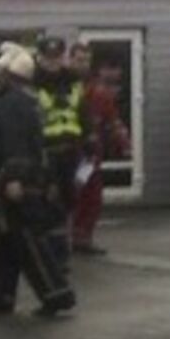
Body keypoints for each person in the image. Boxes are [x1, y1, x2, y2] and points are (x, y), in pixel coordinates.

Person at [0, 43, 76, 318]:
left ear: (8, 72)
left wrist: (13, 178)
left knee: (27, 241)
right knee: (1, 241)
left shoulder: (13, 103)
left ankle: (56, 294)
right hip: (9, 180)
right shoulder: (15, 100)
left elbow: (15, 143)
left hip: (17, 182)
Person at [70, 45, 131, 254]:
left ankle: (83, 238)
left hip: (89, 153)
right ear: (70, 60)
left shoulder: (98, 92)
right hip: (66, 151)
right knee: (70, 197)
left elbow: (112, 120)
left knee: (92, 197)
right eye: (79, 59)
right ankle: (66, 239)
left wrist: (123, 142)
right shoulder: (64, 86)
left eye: (86, 60)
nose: (83, 64)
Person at [33, 38, 88, 266]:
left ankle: (61, 252)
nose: (53, 62)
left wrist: (89, 138)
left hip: (71, 150)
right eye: (48, 58)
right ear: (40, 58)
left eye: (57, 57)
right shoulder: (33, 81)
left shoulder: (74, 81)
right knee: (48, 202)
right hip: (46, 151)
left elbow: (82, 111)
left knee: (68, 201)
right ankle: (50, 254)